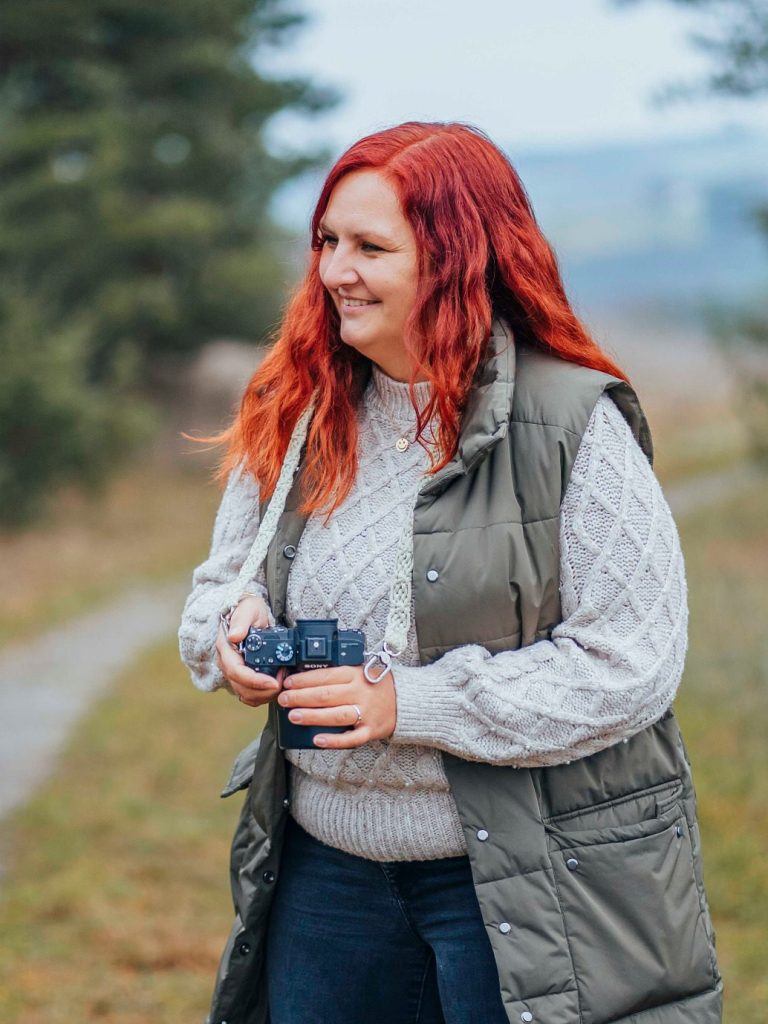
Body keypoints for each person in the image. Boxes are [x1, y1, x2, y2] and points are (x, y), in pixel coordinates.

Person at [179, 122, 722, 1024]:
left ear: (454, 261)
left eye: (369, 248)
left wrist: (409, 705)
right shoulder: (301, 402)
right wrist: (228, 633)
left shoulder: (571, 421)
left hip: (519, 881)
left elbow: (633, 663)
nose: (332, 271)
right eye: (327, 242)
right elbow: (217, 586)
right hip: (325, 879)